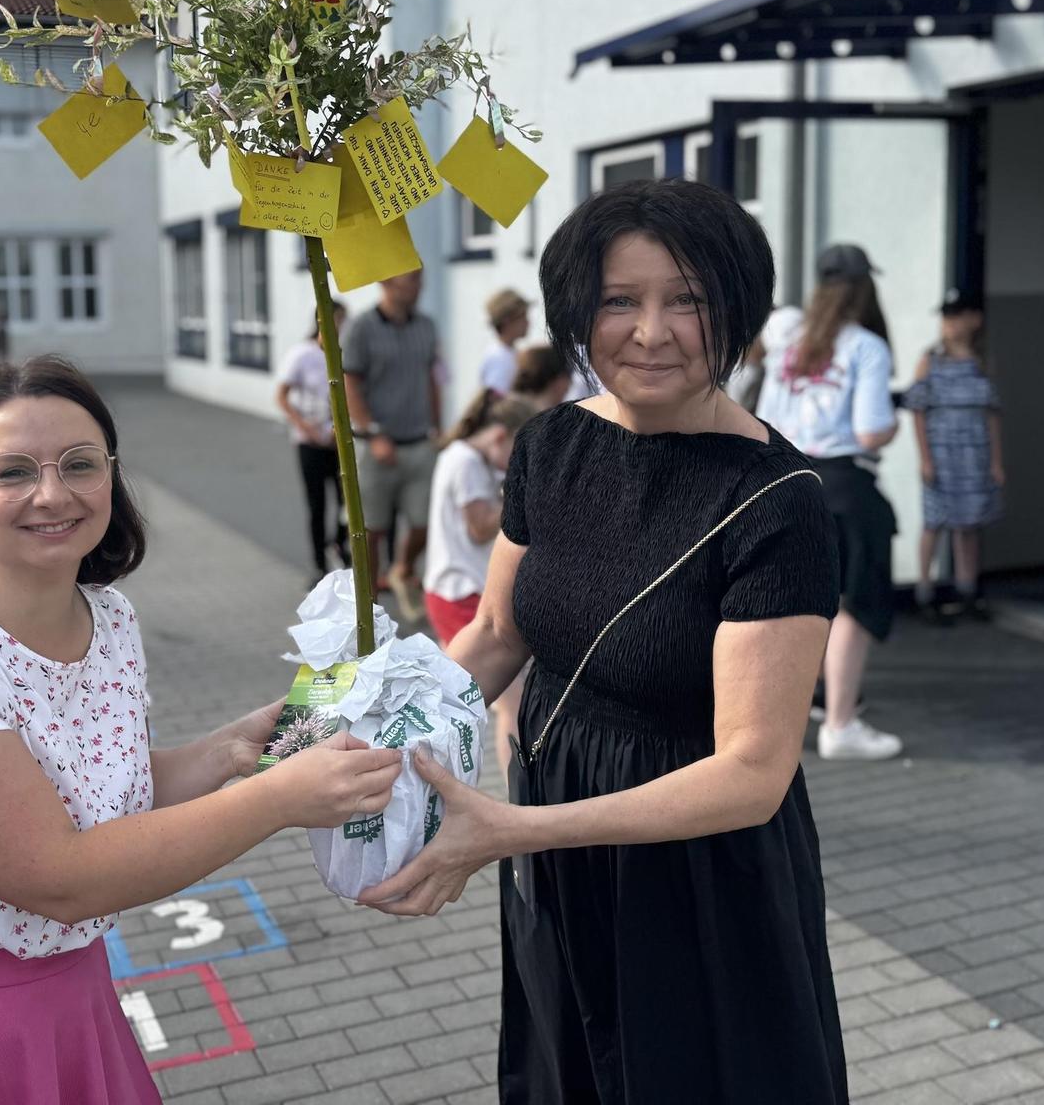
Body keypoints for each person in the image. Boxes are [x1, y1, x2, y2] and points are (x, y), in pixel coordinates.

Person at [0, 357, 402, 1104]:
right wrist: (278, 799)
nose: (52, 494)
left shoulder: (110, 618)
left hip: (68, 998)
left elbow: (99, 794)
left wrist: (230, 750)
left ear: (112, 479)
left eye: (80, 465)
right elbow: (59, 878)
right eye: (14, 471)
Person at [356, 178, 847, 1103]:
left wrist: (509, 832)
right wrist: (372, 728)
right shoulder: (551, 446)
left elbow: (753, 771)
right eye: (620, 300)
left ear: (737, 309)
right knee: (567, 1069)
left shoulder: (781, 504)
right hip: (554, 823)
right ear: (580, 312)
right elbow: (499, 632)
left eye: (687, 300)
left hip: (694, 866)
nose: (650, 331)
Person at [756, 243, 904, 763]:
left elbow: (764, 421)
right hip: (844, 483)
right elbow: (868, 430)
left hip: (786, 480)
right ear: (866, 289)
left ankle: (783, 715)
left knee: (796, 603)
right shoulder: (866, 347)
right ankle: (841, 723)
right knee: (852, 608)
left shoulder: (790, 343)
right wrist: (895, 422)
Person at [341, 269, 441, 618]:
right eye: (410, 279)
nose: (418, 287)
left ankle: (402, 569)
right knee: (370, 530)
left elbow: (431, 379)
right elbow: (349, 383)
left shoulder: (426, 326)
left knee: (425, 521)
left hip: (418, 441)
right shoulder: (361, 327)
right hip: (375, 447)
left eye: (419, 279)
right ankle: (368, 601)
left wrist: (436, 428)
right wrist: (373, 432)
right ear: (385, 281)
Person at [902, 291, 1004, 620]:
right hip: (942, 454)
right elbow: (917, 410)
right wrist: (925, 458)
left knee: (969, 524)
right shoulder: (929, 361)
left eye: (957, 316)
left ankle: (967, 590)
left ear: (974, 320)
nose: (950, 324)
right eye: (946, 317)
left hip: (974, 456)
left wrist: (996, 461)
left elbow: (992, 414)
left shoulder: (981, 361)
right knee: (935, 522)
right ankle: (924, 591)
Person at [423, 392, 539, 645]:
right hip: (459, 591)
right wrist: (525, 494)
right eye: (520, 453)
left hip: (457, 592)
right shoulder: (466, 462)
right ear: (499, 437)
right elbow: (479, 528)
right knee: (490, 681)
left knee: (458, 674)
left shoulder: (470, 458)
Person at [275, 304, 352, 585]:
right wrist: (304, 425)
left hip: (337, 443)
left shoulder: (342, 355)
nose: (341, 328)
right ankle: (319, 566)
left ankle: (341, 547)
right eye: (337, 322)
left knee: (347, 502)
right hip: (310, 443)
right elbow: (281, 396)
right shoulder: (302, 355)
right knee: (317, 504)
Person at [480, 288, 532, 401]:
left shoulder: (511, 353)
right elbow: (496, 402)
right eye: (522, 316)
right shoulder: (499, 358)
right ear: (506, 321)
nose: (528, 322)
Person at [509, 344, 572, 412]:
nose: (570, 384)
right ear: (559, 380)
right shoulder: (548, 419)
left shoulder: (508, 408)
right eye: (568, 375)